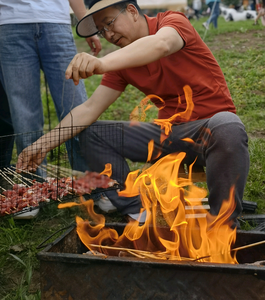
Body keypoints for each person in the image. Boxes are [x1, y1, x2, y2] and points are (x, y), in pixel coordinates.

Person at [17, 0, 250, 225]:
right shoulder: (124, 59)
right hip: (168, 135)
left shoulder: (171, 22)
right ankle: (136, 210)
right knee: (93, 132)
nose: (107, 34)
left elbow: (161, 45)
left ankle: (222, 223)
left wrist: (102, 63)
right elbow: (89, 108)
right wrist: (43, 144)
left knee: (227, 125)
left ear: (132, 11)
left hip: (210, 132)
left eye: (109, 23)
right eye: (101, 30)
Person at [0, 0, 102, 173]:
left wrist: (86, 23)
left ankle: (92, 186)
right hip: (10, 23)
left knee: (75, 106)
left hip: (55, 23)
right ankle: (36, 191)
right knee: (25, 118)